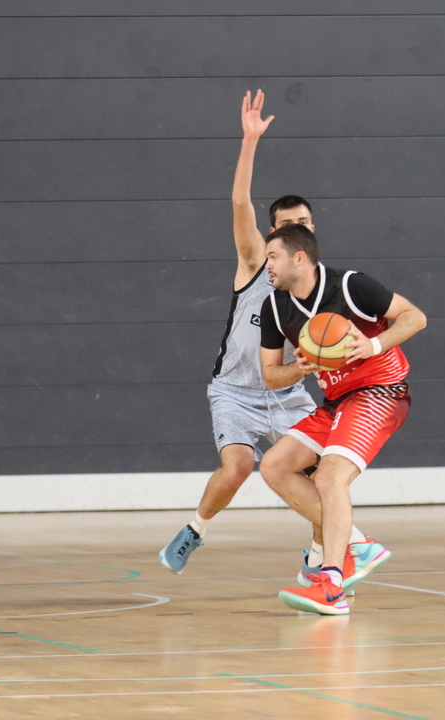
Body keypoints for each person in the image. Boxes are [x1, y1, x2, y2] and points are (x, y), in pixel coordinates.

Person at [160, 91, 377, 579]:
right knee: (238, 467)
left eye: (304, 223)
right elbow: (240, 202)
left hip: (286, 389)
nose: (298, 230)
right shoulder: (257, 263)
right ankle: (196, 528)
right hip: (236, 390)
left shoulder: (326, 286)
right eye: (287, 226)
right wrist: (250, 141)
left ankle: (319, 563)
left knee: (324, 478)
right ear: (273, 235)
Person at [257, 224, 427, 615]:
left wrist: (373, 344)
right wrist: (297, 369)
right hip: (336, 402)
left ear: (299, 258)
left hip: (380, 390)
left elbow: (415, 317)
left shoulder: (351, 286)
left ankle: (331, 584)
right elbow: (270, 375)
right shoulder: (274, 307)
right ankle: (358, 544)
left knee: (330, 476)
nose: (267, 265)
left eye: (273, 257)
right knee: (274, 466)